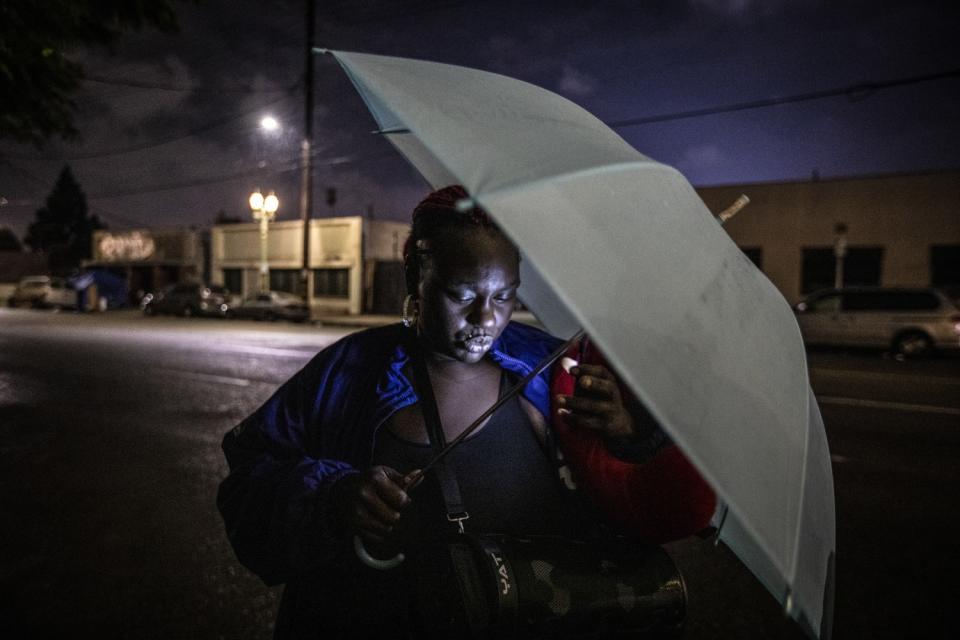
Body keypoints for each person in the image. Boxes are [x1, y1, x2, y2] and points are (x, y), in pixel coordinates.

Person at [217, 185, 716, 639]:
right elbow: (248, 481)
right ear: (416, 275)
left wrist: (627, 434)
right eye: (462, 295)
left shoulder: (554, 368)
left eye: (504, 296)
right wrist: (333, 496)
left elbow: (635, 506)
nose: (486, 318)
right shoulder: (348, 372)